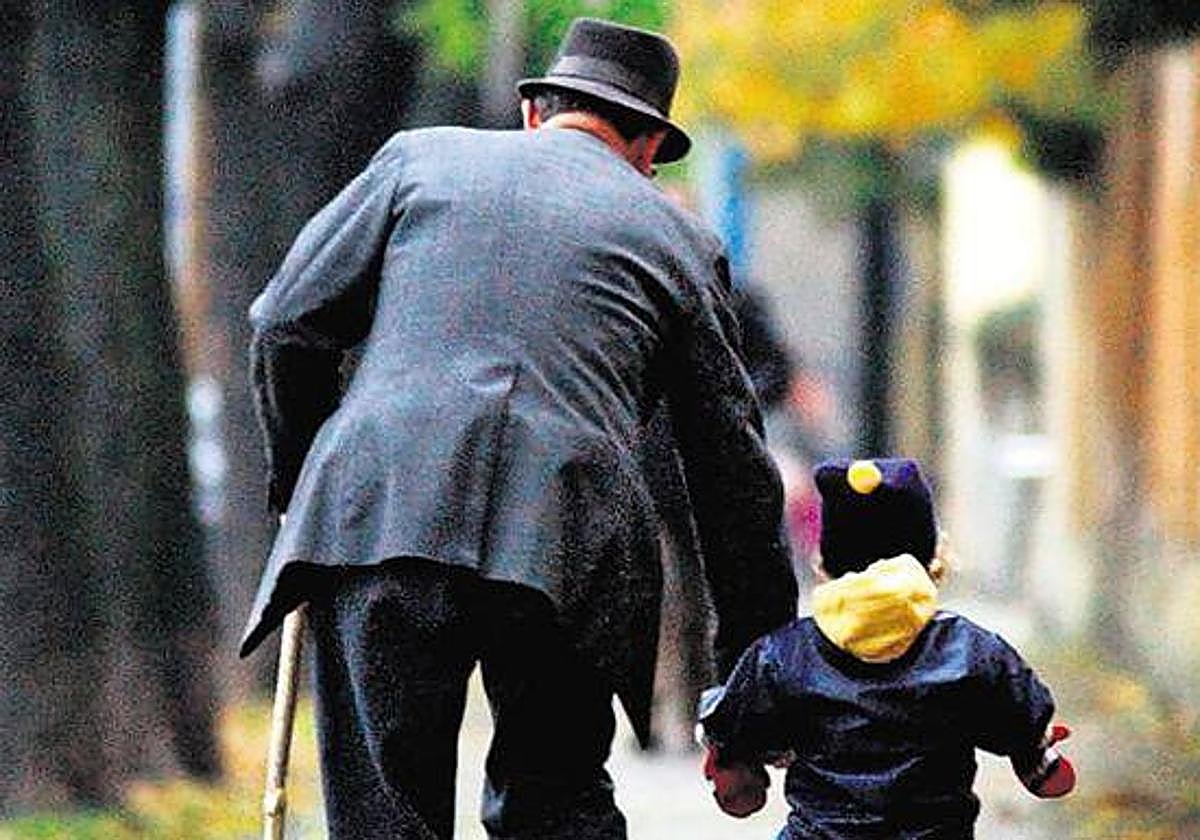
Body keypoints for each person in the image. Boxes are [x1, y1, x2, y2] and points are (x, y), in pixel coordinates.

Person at [238, 17, 798, 840]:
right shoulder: (677, 239)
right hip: (570, 536)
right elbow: (734, 481)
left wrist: (300, 478)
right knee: (556, 798)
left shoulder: (415, 161)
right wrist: (754, 700)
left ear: (536, 112)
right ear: (647, 151)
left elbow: (285, 322)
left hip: (384, 504)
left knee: (385, 814)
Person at [698, 457, 1076, 838]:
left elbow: (737, 719)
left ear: (824, 564)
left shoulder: (784, 655)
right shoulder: (972, 652)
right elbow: (1019, 711)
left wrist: (732, 753)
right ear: (933, 560)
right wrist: (1033, 752)